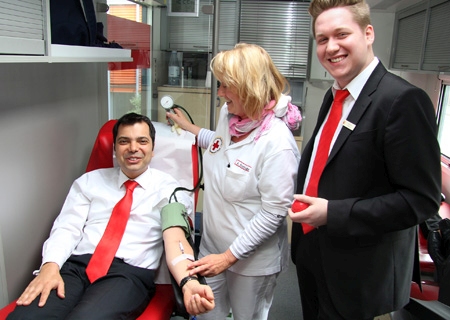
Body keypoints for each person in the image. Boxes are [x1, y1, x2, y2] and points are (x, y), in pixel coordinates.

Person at [288, 1, 442, 319]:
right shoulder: (334, 95)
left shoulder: (402, 100)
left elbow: (421, 201)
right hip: (313, 254)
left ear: (368, 33)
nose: (331, 47)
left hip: (358, 273)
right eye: (322, 39)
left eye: (341, 34)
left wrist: (334, 213)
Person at [7, 113, 214, 319]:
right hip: (76, 267)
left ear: (152, 148)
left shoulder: (171, 190)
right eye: (124, 141)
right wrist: (50, 266)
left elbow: (175, 239)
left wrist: (188, 282)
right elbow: (66, 228)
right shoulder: (89, 182)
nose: (133, 148)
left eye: (142, 141)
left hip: (127, 275)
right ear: (115, 148)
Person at [166, 43, 302, 320]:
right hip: (212, 247)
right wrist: (189, 128)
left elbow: (273, 213)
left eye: (226, 85)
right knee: (207, 315)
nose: (219, 93)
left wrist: (228, 257)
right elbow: (219, 144)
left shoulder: (277, 144)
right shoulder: (229, 116)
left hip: (251, 262)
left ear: (249, 86)